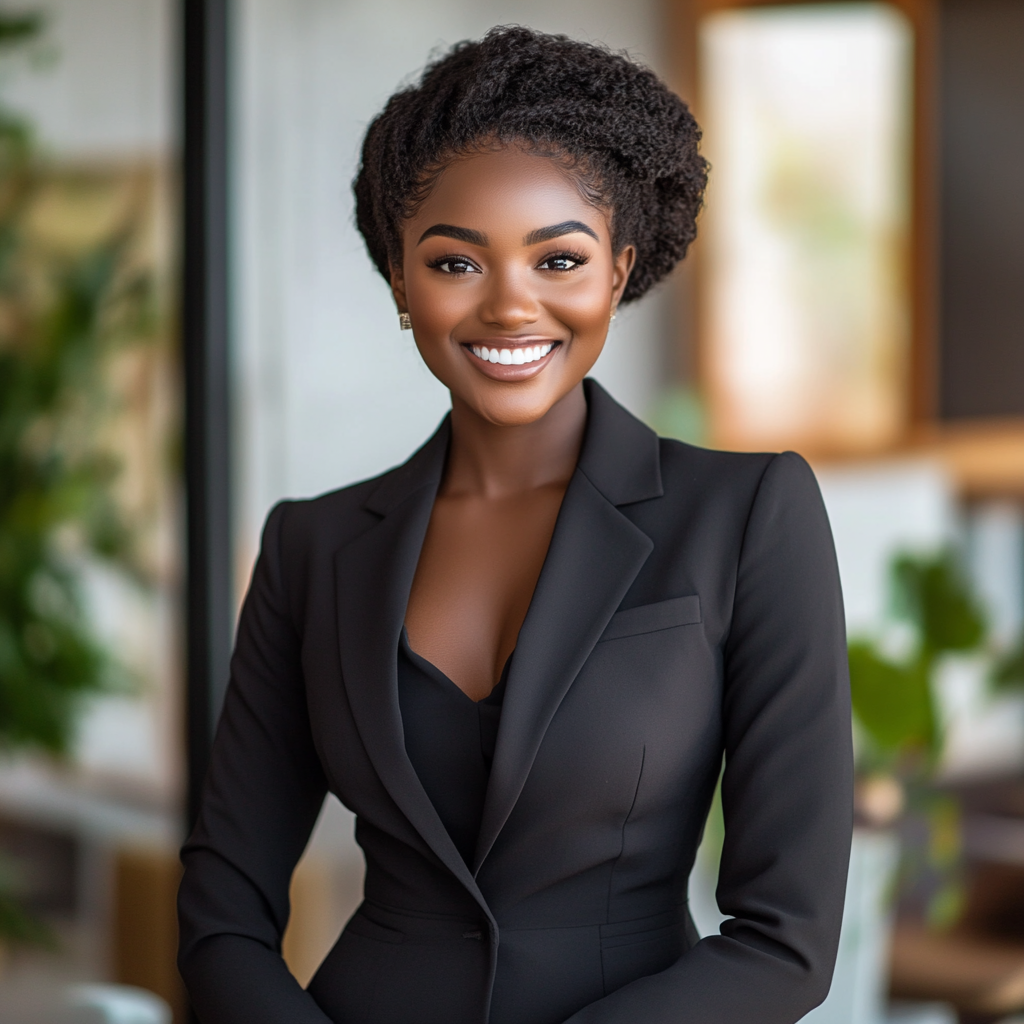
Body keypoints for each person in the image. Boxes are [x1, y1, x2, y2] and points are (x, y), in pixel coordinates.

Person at [177, 26, 853, 1024]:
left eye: (559, 259)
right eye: (455, 264)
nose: (509, 305)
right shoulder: (310, 548)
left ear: (618, 273)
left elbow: (786, 939)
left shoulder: (748, 514)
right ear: (401, 284)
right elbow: (222, 908)